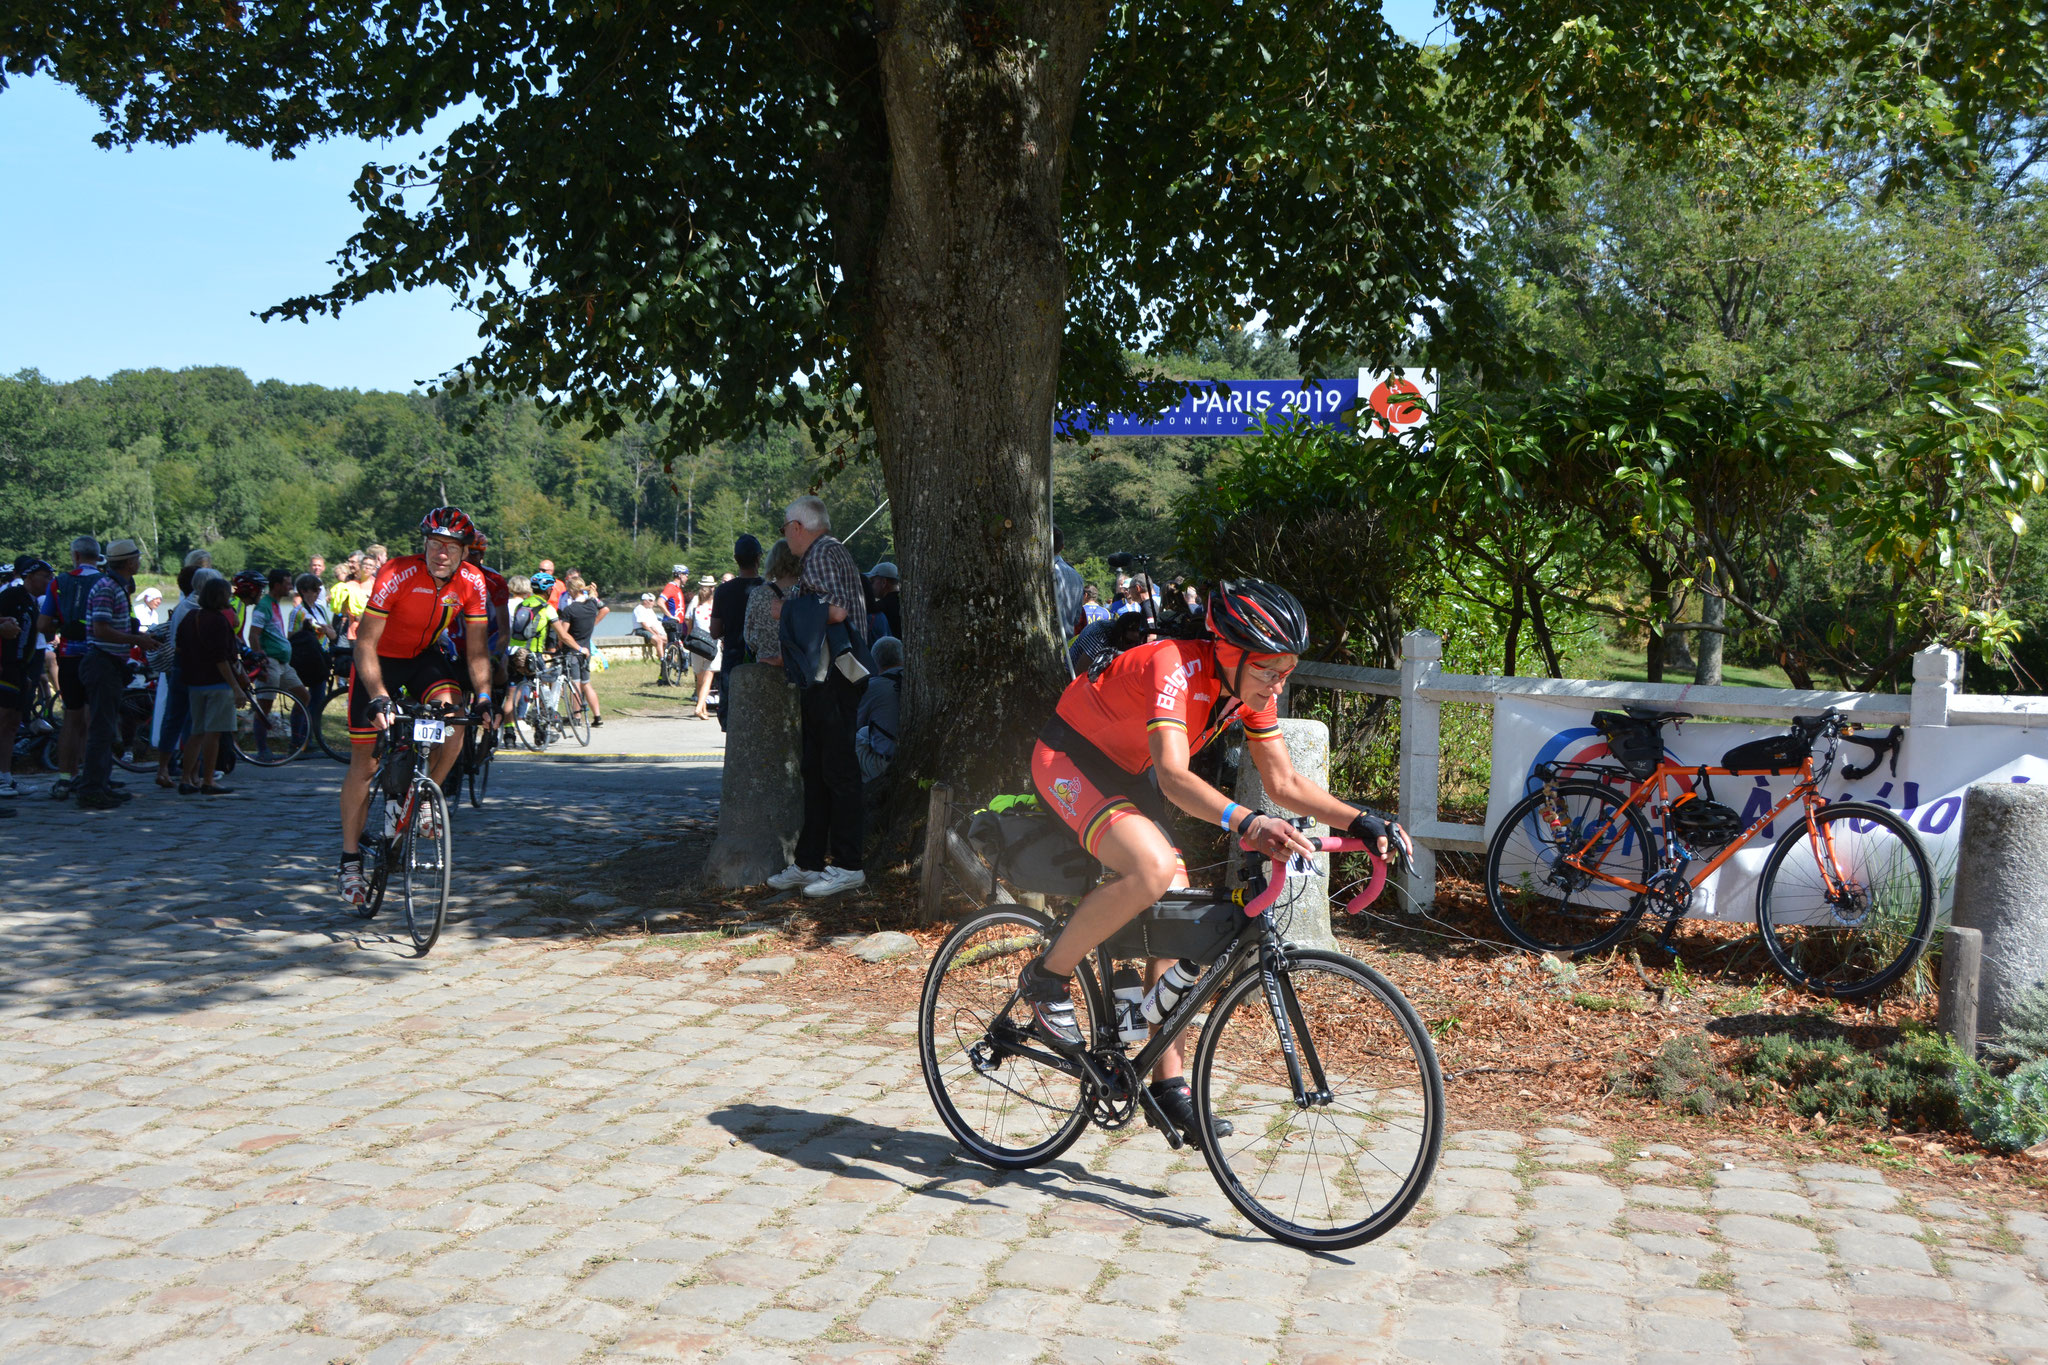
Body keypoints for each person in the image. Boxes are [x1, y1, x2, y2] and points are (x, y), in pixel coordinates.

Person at [1014, 578, 1407, 1143]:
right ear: (1230, 651)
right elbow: (1174, 777)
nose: (1278, 682)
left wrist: (1362, 819)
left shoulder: (1250, 692)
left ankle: (1168, 1087)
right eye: (1269, 669)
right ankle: (1046, 979)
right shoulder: (1176, 665)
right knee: (1150, 869)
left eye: (1287, 669)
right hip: (1069, 758)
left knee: (1173, 912)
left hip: (1128, 771)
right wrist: (1249, 821)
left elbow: (1285, 780)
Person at [338, 507, 494, 907]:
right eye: (435, 543)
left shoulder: (474, 583)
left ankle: (425, 797)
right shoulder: (397, 572)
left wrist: (485, 696)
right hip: (379, 660)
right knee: (365, 763)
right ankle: (350, 860)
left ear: (464, 552)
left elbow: (476, 652)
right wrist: (378, 695)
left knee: (455, 718)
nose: (441, 553)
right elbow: (366, 644)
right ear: (424, 543)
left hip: (423, 657)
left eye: (451, 546)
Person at [763, 497, 868, 899]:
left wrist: (783, 608)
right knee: (817, 769)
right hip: (826, 676)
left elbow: (835, 612)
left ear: (797, 527)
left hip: (836, 676)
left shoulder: (821, 553)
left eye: (785, 526)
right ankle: (809, 862)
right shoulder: (829, 551)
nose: (784, 534)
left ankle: (847, 864)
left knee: (837, 771)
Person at [74, 539, 155, 811]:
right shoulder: (108, 588)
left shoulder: (115, 586)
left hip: (109, 664)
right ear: (130, 562)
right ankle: (91, 790)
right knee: (101, 728)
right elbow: (100, 630)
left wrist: (137, 636)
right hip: (102, 663)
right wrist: (136, 639)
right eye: (137, 558)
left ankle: (101, 783)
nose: (139, 562)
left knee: (106, 728)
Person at [35, 534, 104, 799]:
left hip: (70, 656)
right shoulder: (106, 581)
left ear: (75, 555)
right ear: (97, 557)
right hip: (100, 657)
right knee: (97, 719)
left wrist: (61, 626)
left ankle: (65, 777)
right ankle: (93, 777)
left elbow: (43, 625)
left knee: (72, 719)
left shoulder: (58, 582)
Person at [175, 576, 248, 796]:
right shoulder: (219, 621)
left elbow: (179, 648)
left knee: (195, 733)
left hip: (194, 683)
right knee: (213, 734)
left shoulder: (190, 617)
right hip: (217, 683)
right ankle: (208, 780)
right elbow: (223, 658)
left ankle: (187, 778)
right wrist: (236, 687)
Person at [0, 556, 55, 805]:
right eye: (46, 576)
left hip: (22, 668)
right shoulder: (11, 596)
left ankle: (6, 775)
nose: (50, 581)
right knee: (2, 720)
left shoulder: (34, 602)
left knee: (12, 723)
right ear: (30, 577)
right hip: (5, 667)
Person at [707, 535, 763, 728]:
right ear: (758, 558)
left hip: (733, 657)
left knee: (732, 717)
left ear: (736, 559)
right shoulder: (767, 588)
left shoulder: (723, 591)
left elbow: (714, 631)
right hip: (762, 658)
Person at [250, 570, 314, 716]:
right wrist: (260, 661)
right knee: (264, 710)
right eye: (287, 584)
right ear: (277, 585)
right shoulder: (263, 605)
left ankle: (298, 735)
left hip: (283, 663)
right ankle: (259, 738)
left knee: (304, 697)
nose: (291, 587)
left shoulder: (275, 604)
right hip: (270, 662)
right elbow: (253, 635)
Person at [555, 576, 607, 728]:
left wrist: (559, 645)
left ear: (571, 591)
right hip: (587, 650)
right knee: (587, 684)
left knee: (575, 685)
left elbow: (563, 635)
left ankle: (576, 717)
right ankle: (597, 717)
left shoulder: (570, 610)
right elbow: (602, 606)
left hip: (573, 651)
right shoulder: (591, 605)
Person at [744, 538, 801, 667]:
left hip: (765, 665)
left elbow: (748, 636)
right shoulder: (807, 592)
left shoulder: (758, 594)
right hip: (801, 666)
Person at [854, 635, 902, 784]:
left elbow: (853, 722)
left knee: (844, 737)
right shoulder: (913, 679)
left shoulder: (872, 686)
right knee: (864, 732)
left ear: (875, 662)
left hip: (886, 764)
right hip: (915, 756)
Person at [688, 577, 717, 721]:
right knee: (708, 678)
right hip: (711, 645)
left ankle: (703, 708)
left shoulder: (695, 608)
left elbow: (688, 622)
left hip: (697, 645)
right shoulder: (714, 608)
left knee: (699, 679)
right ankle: (699, 707)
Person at [1052, 526, 1083, 640]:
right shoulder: (1077, 576)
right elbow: (1076, 618)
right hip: (1067, 643)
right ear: (1062, 547)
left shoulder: (1045, 572)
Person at [866, 561, 902, 642]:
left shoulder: (879, 607)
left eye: (872, 581)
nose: (870, 586)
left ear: (884, 582)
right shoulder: (906, 604)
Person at [631, 593, 665, 660]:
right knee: (658, 640)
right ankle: (663, 660)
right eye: (651, 600)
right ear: (645, 601)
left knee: (667, 639)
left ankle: (666, 657)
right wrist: (655, 634)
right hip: (641, 630)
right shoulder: (639, 609)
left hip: (648, 629)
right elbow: (644, 625)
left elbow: (652, 625)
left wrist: (657, 633)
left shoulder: (649, 610)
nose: (653, 603)